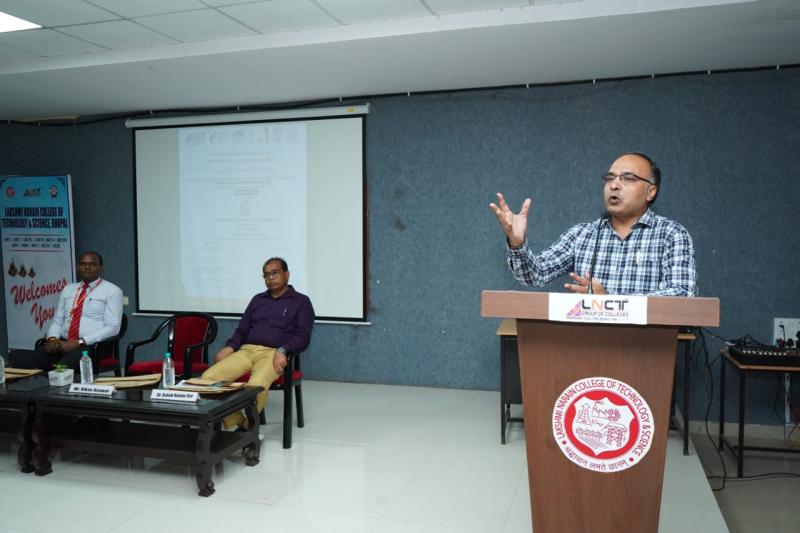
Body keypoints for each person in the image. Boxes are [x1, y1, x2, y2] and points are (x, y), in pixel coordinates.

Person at [490, 152, 696, 296]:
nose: (614, 185)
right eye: (610, 178)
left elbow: (682, 294)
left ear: (650, 191)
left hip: (647, 344)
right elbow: (536, 274)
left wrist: (609, 301)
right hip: (585, 342)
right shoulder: (582, 235)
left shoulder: (671, 234)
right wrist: (517, 243)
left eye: (627, 178)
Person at [201, 257, 315, 430]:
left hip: (273, 354)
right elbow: (242, 330)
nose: (270, 278)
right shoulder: (257, 300)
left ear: (287, 275)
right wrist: (230, 347)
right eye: (266, 275)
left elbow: (303, 336)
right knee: (207, 380)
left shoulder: (301, 302)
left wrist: (283, 349)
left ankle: (247, 430)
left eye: (275, 273)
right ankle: (240, 423)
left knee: (255, 386)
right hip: (246, 351)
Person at [14, 251, 123, 371]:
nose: (87, 267)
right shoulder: (68, 289)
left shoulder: (112, 291)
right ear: (78, 267)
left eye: (92, 264)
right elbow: (57, 321)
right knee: (24, 362)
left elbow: (113, 328)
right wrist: (52, 339)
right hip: (63, 343)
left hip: (92, 346)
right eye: (83, 264)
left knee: (61, 369)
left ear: (101, 268)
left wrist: (79, 342)